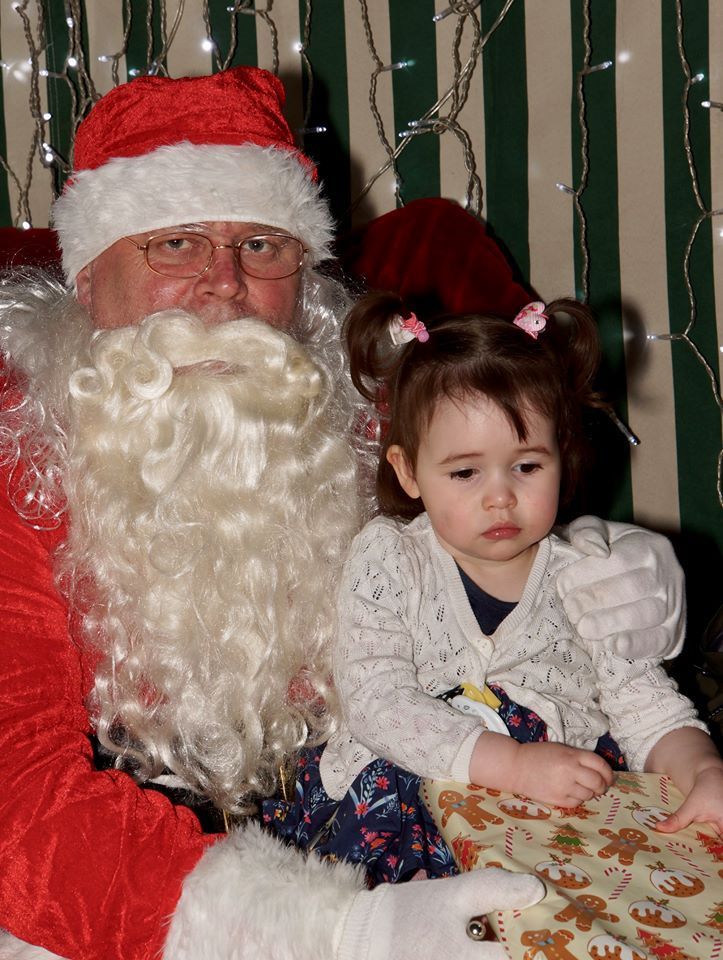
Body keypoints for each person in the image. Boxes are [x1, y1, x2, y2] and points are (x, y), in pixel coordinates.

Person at [0, 66, 690, 960]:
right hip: (127, 887)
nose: (223, 285)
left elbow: (494, 548)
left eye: (261, 245)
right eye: (173, 243)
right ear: (89, 277)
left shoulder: (370, 427)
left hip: (380, 811)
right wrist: (332, 929)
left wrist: (603, 568)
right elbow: (17, 800)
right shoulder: (19, 450)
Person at [288, 294, 719, 860]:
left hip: (553, 823)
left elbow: (647, 707)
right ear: (408, 470)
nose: (500, 497)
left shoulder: (588, 575)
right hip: (408, 804)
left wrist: (704, 769)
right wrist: (509, 762)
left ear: (562, 457)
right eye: (465, 472)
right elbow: (376, 700)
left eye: (527, 466)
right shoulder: (390, 558)